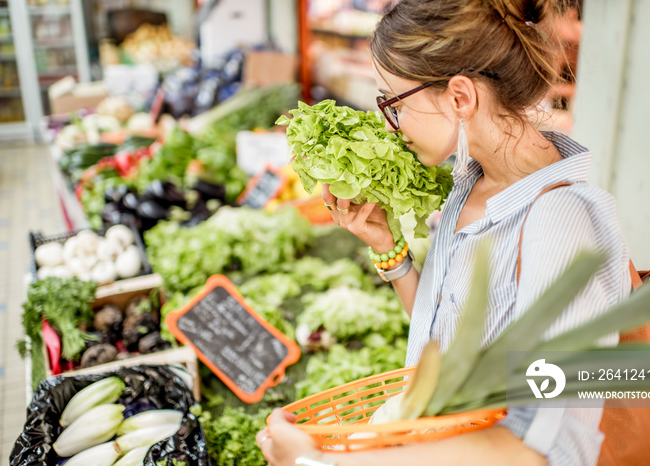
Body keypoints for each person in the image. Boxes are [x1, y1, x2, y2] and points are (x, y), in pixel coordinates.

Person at [257, 0, 631, 464]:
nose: (389, 127)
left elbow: (540, 448)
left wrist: (322, 462)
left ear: (459, 97)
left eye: (392, 103)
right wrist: (391, 253)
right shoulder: (469, 180)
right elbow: (447, 345)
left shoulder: (563, 224)